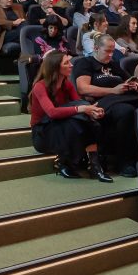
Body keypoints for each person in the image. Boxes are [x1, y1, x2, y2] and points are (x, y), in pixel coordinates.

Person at [29, 51, 110, 181]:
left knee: (84, 117)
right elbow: (52, 112)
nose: (71, 65)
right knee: (76, 119)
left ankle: (94, 164)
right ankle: (66, 161)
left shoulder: (67, 84)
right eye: (66, 63)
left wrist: (92, 112)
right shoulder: (40, 86)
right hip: (42, 134)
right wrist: (83, 109)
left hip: (61, 127)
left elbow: (80, 105)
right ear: (55, 67)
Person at [71, 34, 138, 175]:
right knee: (126, 111)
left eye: (113, 51)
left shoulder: (113, 64)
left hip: (122, 98)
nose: (111, 55)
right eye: (107, 51)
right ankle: (123, 162)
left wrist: (133, 85)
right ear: (96, 48)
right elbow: (83, 88)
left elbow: (128, 79)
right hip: (102, 102)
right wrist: (113, 90)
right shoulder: (85, 63)